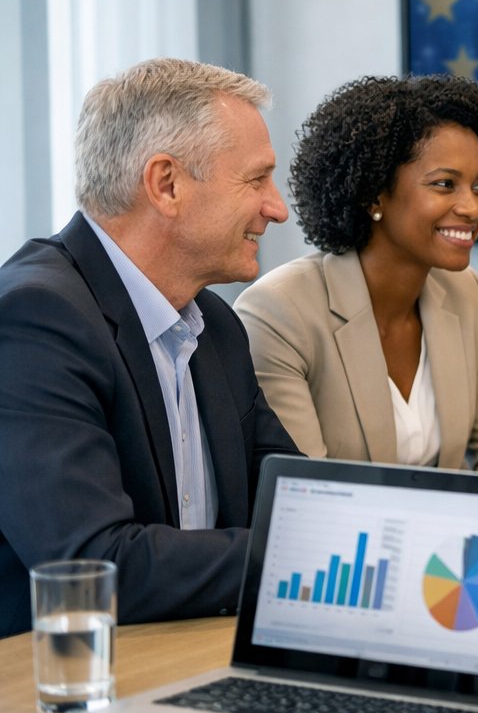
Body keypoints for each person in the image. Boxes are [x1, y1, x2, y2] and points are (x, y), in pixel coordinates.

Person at [0, 58, 300, 637]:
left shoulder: (214, 321)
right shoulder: (35, 320)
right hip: (56, 695)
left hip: (188, 656)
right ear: (167, 184)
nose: (277, 207)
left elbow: (290, 495)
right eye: (256, 179)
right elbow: (95, 566)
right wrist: (302, 557)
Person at [233, 76, 478, 515]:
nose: (473, 207)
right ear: (375, 192)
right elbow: (312, 498)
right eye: (445, 184)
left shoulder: (464, 294)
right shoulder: (280, 312)